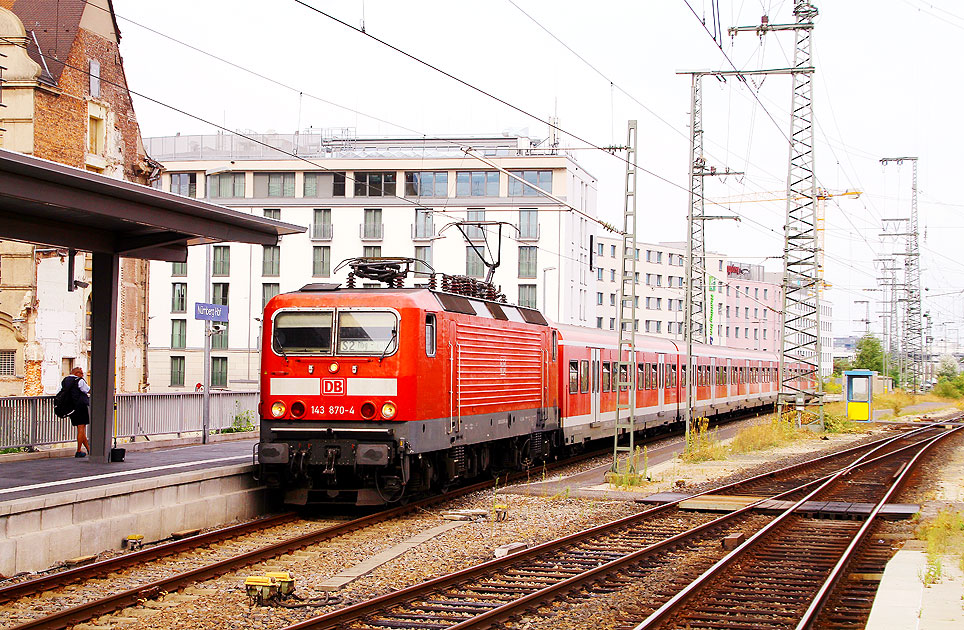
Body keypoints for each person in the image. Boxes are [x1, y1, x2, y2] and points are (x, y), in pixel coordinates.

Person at [62, 367, 91, 457]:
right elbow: (87, 390)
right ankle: (78, 450)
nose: (83, 375)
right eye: (81, 373)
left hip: (71, 407)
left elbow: (59, 391)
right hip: (81, 406)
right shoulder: (79, 381)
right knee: (81, 428)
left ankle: (89, 450)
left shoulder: (65, 380)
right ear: (77, 373)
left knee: (80, 430)